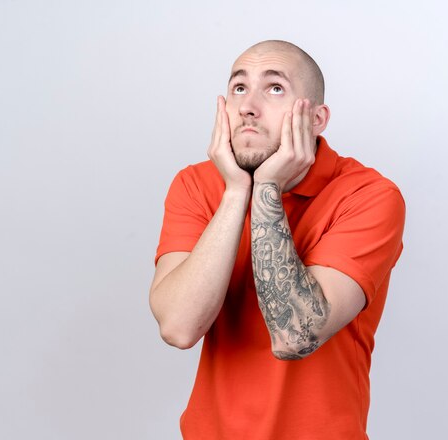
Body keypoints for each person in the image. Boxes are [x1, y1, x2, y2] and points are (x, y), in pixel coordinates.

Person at [149, 40, 405, 439]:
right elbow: (179, 328)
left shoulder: (369, 195)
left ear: (317, 119)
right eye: (238, 88)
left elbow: (295, 335)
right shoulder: (195, 185)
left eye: (274, 89)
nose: (248, 106)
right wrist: (237, 193)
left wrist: (267, 184)